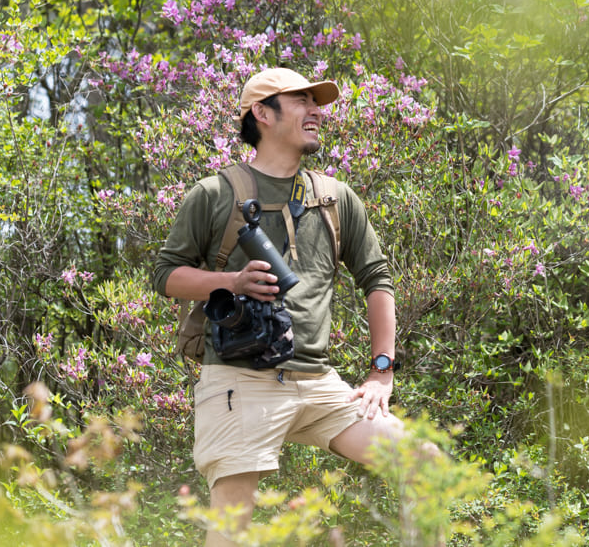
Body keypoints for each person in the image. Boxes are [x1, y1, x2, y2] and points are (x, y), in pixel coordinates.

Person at [153, 67, 409, 546]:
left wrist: (381, 371)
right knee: (231, 531)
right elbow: (166, 275)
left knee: (425, 466)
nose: (316, 111)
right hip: (239, 380)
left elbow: (377, 279)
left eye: (318, 103)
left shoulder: (335, 197)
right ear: (262, 114)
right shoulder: (215, 194)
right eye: (300, 101)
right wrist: (231, 281)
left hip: (320, 384)